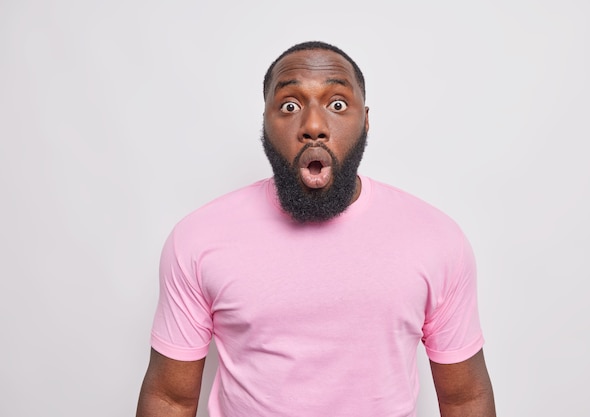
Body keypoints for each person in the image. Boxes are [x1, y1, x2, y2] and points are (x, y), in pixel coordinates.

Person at [136, 40, 496, 417]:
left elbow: (464, 398)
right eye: (289, 106)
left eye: (337, 104)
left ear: (366, 120)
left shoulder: (436, 239)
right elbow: (169, 399)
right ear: (265, 121)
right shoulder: (198, 239)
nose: (312, 126)